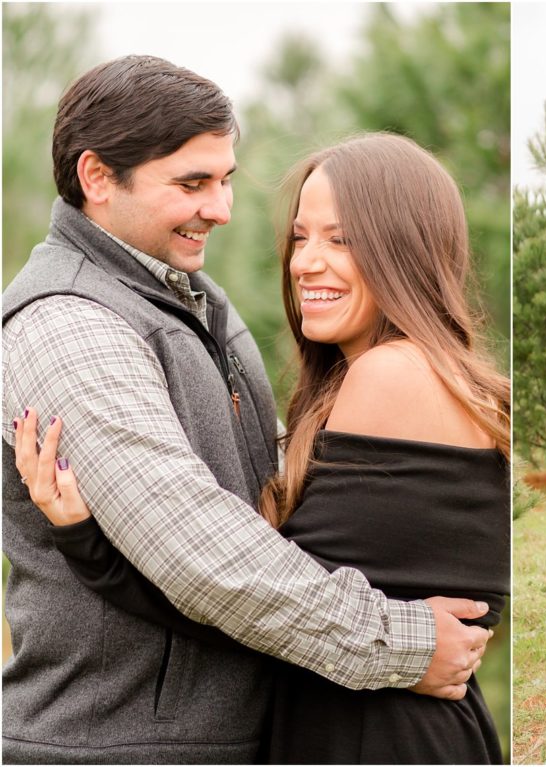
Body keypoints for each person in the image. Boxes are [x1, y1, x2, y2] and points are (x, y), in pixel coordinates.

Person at [2, 56, 492, 764]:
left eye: (225, 179)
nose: (222, 209)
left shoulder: (200, 302)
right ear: (97, 177)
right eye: (193, 183)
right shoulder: (69, 326)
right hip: (115, 746)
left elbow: (273, 503)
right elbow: (200, 552)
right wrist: (403, 642)